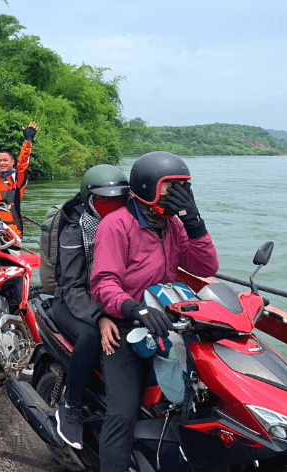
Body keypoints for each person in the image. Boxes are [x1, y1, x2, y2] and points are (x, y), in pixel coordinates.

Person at [89, 152, 218, 472]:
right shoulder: (116, 225)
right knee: (122, 415)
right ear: (146, 188)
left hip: (169, 323)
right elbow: (104, 283)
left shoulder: (173, 226)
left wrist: (195, 223)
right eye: (170, 187)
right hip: (126, 324)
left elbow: (206, 266)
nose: (178, 194)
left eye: (182, 188)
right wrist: (135, 309)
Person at [49, 165, 129, 450]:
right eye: (104, 200)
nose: (113, 206)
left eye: (119, 199)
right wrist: (99, 317)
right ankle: (71, 407)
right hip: (74, 300)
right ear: (89, 199)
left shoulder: (130, 222)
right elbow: (71, 284)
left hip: (115, 298)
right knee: (91, 337)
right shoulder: (76, 226)